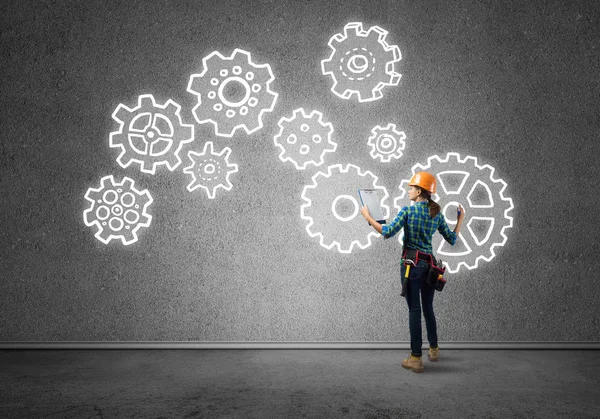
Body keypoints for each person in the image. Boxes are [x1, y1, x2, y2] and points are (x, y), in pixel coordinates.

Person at [360, 171, 465, 373]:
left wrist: (368, 217)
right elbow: (452, 239)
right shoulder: (437, 214)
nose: (408, 191)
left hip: (411, 266)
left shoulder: (407, 212)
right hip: (430, 268)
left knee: (414, 310)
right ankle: (434, 349)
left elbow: (387, 232)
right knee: (428, 308)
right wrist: (460, 220)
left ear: (419, 191)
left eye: (411, 188)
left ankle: (416, 358)